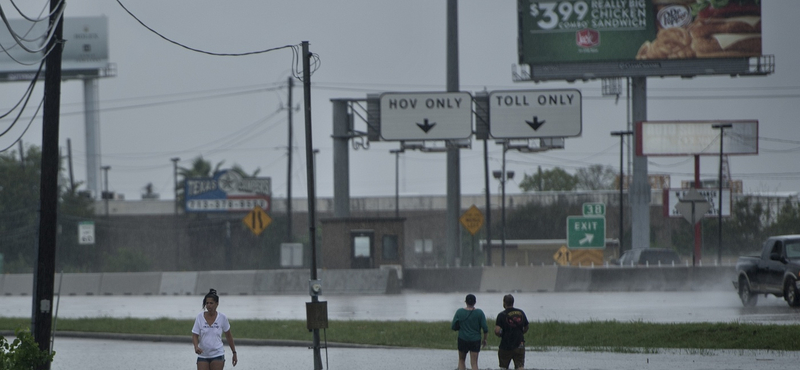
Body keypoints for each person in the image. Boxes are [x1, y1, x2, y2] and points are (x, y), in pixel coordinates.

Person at [192, 289, 238, 369]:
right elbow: (195, 335)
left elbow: (228, 336)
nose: (209, 305)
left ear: (217, 304)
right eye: (207, 303)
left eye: (211, 303)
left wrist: (234, 352)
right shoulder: (200, 317)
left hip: (217, 354)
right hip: (203, 355)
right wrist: (196, 346)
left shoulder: (222, 318)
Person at [451, 293, 488, 370]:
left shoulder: (459, 312)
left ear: (466, 302)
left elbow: (453, 326)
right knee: (474, 363)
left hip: (462, 339)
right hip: (475, 340)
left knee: (461, 360)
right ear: (475, 302)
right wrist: (484, 339)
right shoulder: (479, 313)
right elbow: (485, 328)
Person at [494, 294, 529, 369]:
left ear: (504, 303)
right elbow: (526, 326)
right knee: (520, 365)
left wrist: (501, 334)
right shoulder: (521, 313)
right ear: (513, 302)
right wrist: (521, 333)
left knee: (503, 366)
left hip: (506, 344)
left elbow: (497, 331)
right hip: (520, 343)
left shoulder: (501, 315)